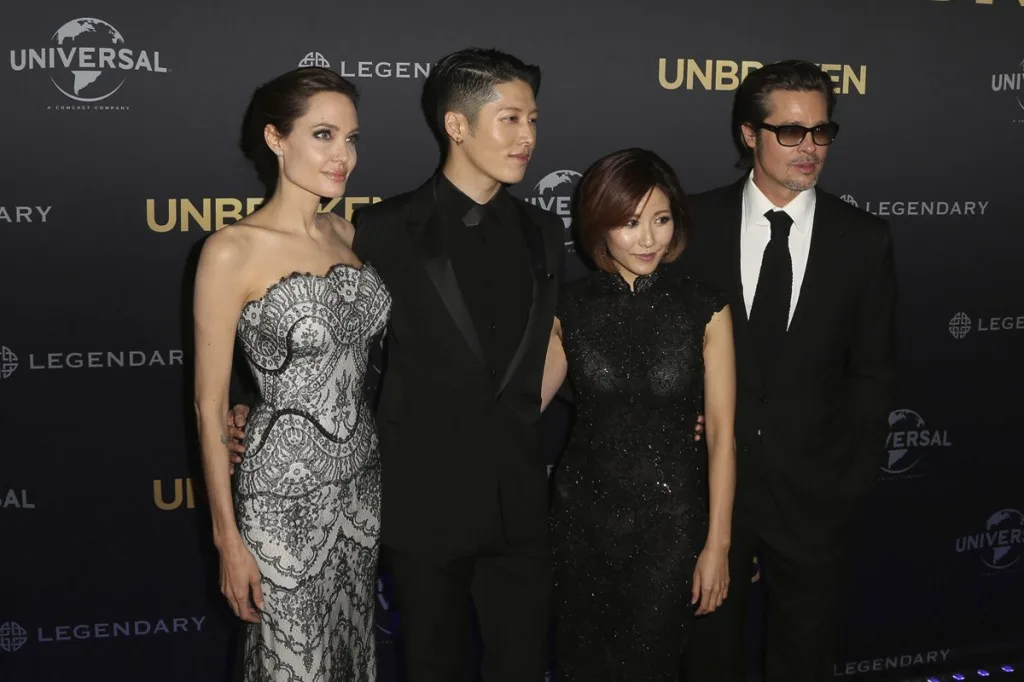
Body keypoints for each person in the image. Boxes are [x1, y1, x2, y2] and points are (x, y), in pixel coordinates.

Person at [228, 48, 564, 681]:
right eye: (512, 119)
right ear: (457, 125)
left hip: (519, 498)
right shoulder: (380, 229)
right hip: (421, 501)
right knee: (428, 665)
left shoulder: (546, 231)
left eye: (534, 120)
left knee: (521, 664)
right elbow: (320, 330)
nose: (529, 137)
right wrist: (250, 399)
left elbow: (554, 340)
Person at [680, 60, 897, 682]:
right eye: (791, 132)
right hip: (709, 493)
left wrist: (851, 476)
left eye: (822, 132)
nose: (810, 149)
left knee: (805, 658)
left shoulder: (864, 239)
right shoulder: (691, 226)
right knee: (706, 658)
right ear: (749, 134)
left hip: (816, 496)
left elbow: (873, 372)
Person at [192, 67, 390, 681]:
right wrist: (228, 540)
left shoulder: (347, 233)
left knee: (350, 655)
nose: (344, 156)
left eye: (352, 138)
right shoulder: (232, 250)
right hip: (281, 499)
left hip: (360, 489)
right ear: (277, 140)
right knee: (292, 667)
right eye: (325, 135)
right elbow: (208, 403)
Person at [539, 148, 736, 681]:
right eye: (629, 222)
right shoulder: (570, 309)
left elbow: (721, 435)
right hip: (581, 521)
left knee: (650, 665)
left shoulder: (705, 308)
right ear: (600, 225)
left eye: (661, 219)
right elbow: (521, 406)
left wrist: (717, 546)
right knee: (581, 663)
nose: (649, 238)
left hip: (670, 526)